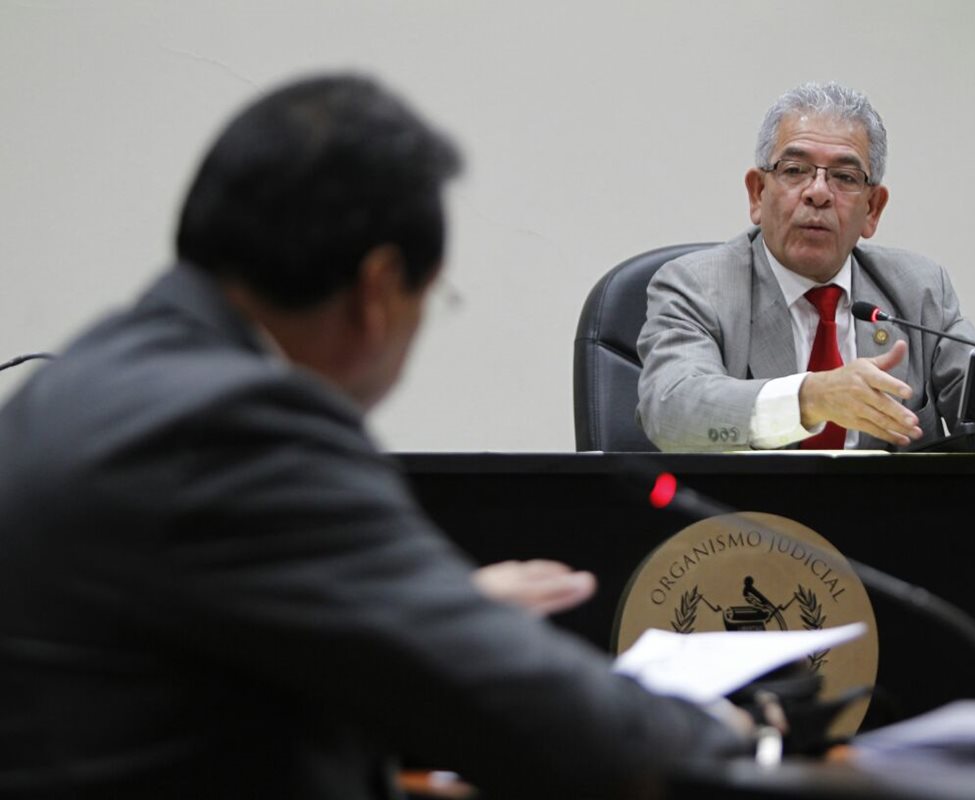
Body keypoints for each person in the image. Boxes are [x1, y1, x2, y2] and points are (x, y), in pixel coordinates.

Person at [0, 74, 752, 800]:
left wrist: (421, 607)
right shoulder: (242, 424)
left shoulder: (72, 384)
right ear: (378, 289)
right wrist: (729, 729)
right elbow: (537, 720)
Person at [637, 81, 975, 452]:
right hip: (749, 534)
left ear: (873, 210)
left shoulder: (917, 289)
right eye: (794, 170)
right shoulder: (696, 287)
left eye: (844, 177)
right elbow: (671, 409)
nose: (818, 193)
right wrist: (812, 396)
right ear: (758, 194)